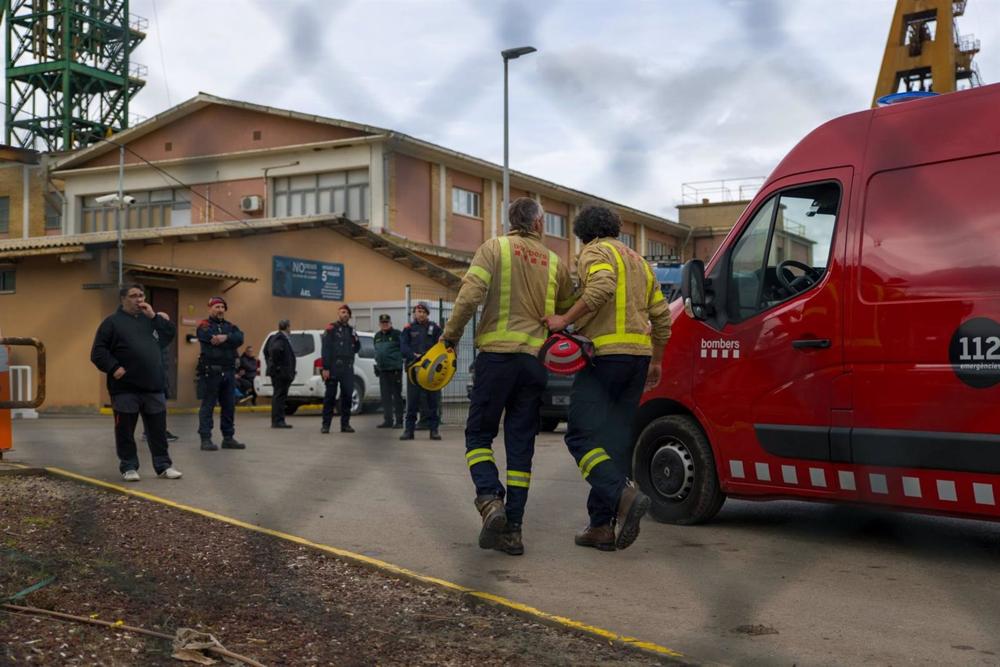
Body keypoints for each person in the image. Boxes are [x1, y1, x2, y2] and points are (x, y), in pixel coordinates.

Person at [442, 197, 575, 556]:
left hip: (497, 358)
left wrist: (449, 337)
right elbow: (566, 309)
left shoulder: (494, 248)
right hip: (533, 363)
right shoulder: (554, 262)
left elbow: (470, 296)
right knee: (520, 447)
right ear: (538, 224)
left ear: (511, 222)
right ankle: (513, 531)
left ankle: (489, 500)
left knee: (478, 435)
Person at [543, 204, 672, 552]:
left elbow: (601, 287)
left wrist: (563, 319)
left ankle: (622, 495)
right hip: (638, 359)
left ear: (584, 232)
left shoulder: (595, 251)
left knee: (581, 437)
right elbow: (662, 315)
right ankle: (601, 526)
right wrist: (657, 361)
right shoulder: (640, 262)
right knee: (612, 442)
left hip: (604, 358)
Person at [90, 283, 182, 482]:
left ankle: (164, 466)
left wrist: (154, 317)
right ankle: (129, 466)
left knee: (157, 430)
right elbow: (98, 352)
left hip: (153, 386)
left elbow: (169, 335)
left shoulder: (150, 321)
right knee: (125, 431)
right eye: (133, 296)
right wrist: (114, 368)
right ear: (123, 299)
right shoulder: (112, 323)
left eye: (141, 295)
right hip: (125, 388)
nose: (139, 299)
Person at [196, 296, 247, 451]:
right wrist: (230, 342)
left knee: (229, 406)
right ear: (210, 308)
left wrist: (225, 337)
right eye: (217, 307)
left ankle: (228, 438)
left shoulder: (230, 326)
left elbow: (240, 338)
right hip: (211, 372)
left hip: (229, 371)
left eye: (222, 307)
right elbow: (207, 338)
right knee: (208, 406)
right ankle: (205, 439)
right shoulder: (204, 325)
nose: (220, 310)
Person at [399, 302, 442, 441]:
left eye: (423, 311)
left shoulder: (435, 328)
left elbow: (440, 346)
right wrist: (413, 355)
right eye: (418, 311)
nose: (421, 314)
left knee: (432, 402)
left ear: (427, 314)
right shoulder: (408, 328)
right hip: (414, 371)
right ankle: (409, 431)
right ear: (414, 313)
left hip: (431, 372)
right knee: (412, 402)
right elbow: (403, 347)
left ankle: (434, 430)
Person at [321, 304, 360, 434]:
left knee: (347, 396)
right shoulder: (331, 329)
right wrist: (325, 368)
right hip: (333, 367)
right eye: (342, 312)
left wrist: (355, 339)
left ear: (349, 316)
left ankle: (345, 424)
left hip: (347, 367)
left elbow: (357, 347)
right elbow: (325, 349)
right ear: (339, 314)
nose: (344, 314)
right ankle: (326, 425)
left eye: (346, 313)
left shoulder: (351, 331)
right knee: (330, 397)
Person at [373, 314, 404, 429]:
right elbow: (377, 352)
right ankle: (388, 420)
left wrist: (399, 363)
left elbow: (403, 349)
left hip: (395, 370)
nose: (384, 324)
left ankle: (399, 421)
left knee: (396, 397)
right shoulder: (377, 336)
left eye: (386, 322)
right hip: (383, 371)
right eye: (382, 323)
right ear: (379, 324)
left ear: (390, 323)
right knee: (385, 397)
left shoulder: (397, 334)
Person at [265, 320, 296, 429]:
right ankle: (278, 421)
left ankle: (279, 420)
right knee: (279, 396)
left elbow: (266, 351)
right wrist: (277, 366)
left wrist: (270, 363)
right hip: (280, 373)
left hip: (279, 372)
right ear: (287, 327)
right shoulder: (280, 338)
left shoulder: (273, 337)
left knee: (279, 396)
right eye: (289, 327)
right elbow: (275, 350)